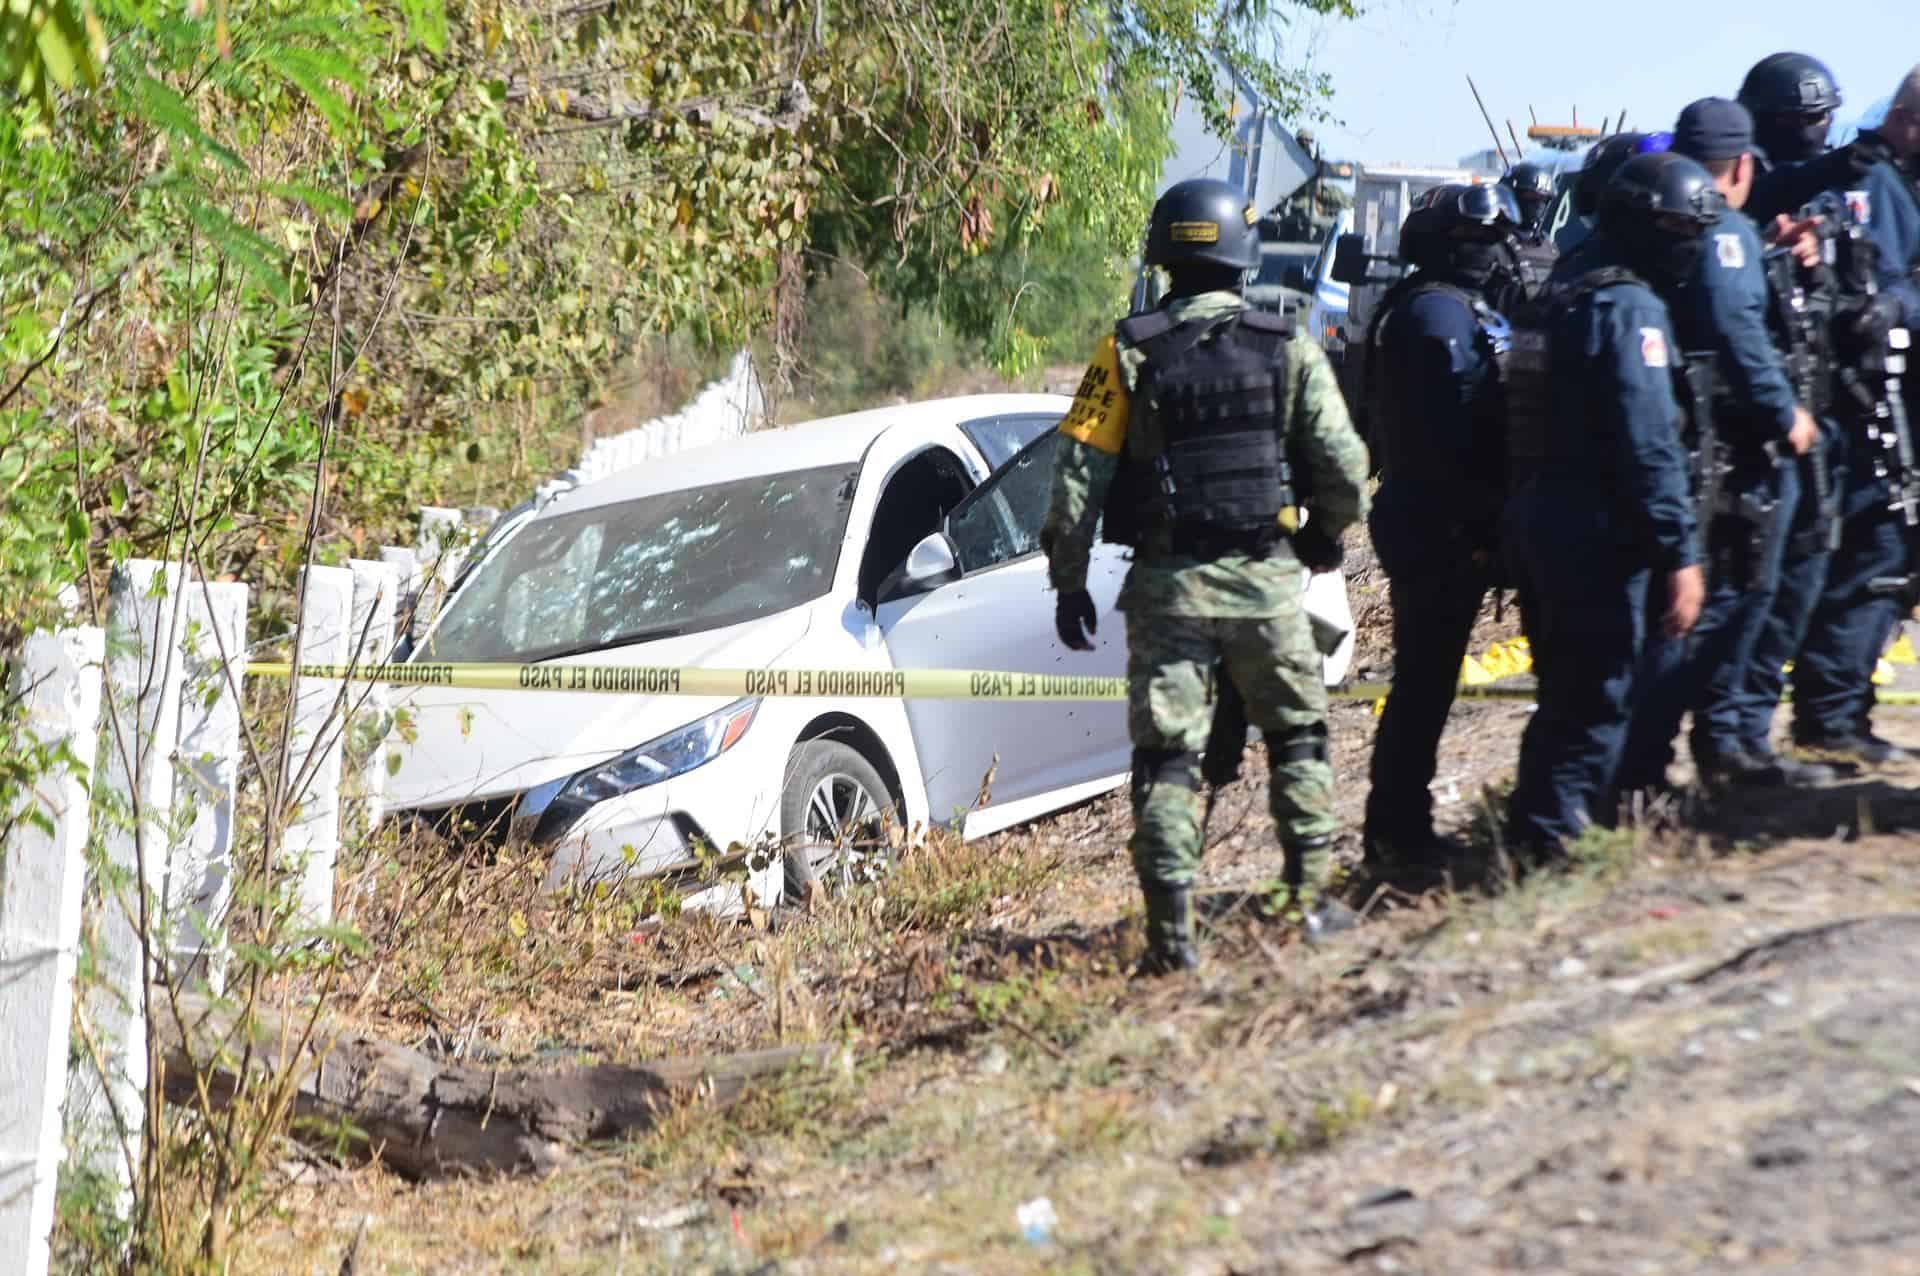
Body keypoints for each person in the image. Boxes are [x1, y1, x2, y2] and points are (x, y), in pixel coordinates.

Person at [1040, 177, 1370, 975]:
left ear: (1164, 255)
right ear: (1242, 255)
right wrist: (1324, 537)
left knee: (1167, 760)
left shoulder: (1124, 348)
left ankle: (1172, 941)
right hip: (1264, 583)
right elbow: (1346, 469)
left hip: (1167, 591)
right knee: (1296, 736)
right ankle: (1310, 899)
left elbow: (1075, 479)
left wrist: (1070, 580)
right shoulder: (1287, 344)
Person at [1615, 98, 1826, 796]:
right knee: (1749, 593)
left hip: (1685, 442)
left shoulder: (1667, 225)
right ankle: (1727, 739)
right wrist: (1785, 414)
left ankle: (1683, 750)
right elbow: (1736, 329)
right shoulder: (1724, 231)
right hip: (1737, 443)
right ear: (1742, 165)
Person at [1505, 152, 1713, 858]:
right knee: (1594, 697)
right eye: (1683, 226)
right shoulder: (1630, 309)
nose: (1692, 241)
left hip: (1546, 519)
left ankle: (1540, 834)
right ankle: (1553, 847)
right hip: (1594, 533)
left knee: (1567, 695)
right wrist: (1681, 553)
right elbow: (1649, 443)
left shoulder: (1565, 289)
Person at [1747, 61, 1920, 766]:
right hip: (1852, 406)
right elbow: (1870, 295)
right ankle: (1828, 717)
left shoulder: (1885, 181)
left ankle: (1838, 714)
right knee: (1864, 558)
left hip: (1886, 401)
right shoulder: (1860, 182)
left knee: (1880, 562)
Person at [1360, 184, 1522, 878]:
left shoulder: (1462, 309)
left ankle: (1409, 831)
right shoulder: (1434, 315)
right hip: (1439, 526)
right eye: (1479, 242)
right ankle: (1399, 837)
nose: (1494, 254)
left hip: (1458, 519)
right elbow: (1453, 434)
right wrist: (1476, 525)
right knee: (1424, 686)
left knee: (1430, 685)